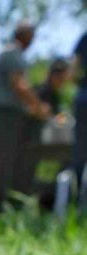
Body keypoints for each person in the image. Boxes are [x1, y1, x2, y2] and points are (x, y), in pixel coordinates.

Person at [0, 22, 51, 212]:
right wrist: (40, 108)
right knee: (6, 160)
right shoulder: (13, 55)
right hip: (6, 115)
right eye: (32, 35)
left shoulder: (9, 53)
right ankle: (0, 205)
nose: (33, 40)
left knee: (14, 160)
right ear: (24, 35)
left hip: (8, 114)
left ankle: (13, 202)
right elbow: (20, 86)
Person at [21, 58, 70, 198]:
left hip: (46, 139)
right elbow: (33, 110)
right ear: (54, 75)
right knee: (26, 173)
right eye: (61, 77)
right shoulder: (42, 90)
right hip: (32, 138)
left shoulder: (54, 94)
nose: (63, 81)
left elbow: (55, 115)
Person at [72, 31, 87, 192]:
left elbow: (73, 71)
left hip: (84, 97)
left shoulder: (84, 37)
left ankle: (76, 196)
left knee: (80, 148)